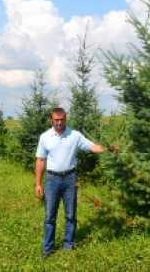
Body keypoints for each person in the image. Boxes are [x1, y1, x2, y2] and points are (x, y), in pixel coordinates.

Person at [35, 107, 111, 258]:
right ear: (51, 120)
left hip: (70, 179)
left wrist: (108, 149)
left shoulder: (74, 135)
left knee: (70, 215)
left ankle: (68, 245)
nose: (59, 123)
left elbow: (92, 147)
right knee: (50, 216)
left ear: (65, 119)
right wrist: (38, 183)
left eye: (62, 120)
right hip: (52, 180)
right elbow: (40, 160)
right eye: (56, 120)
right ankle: (47, 248)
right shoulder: (45, 137)